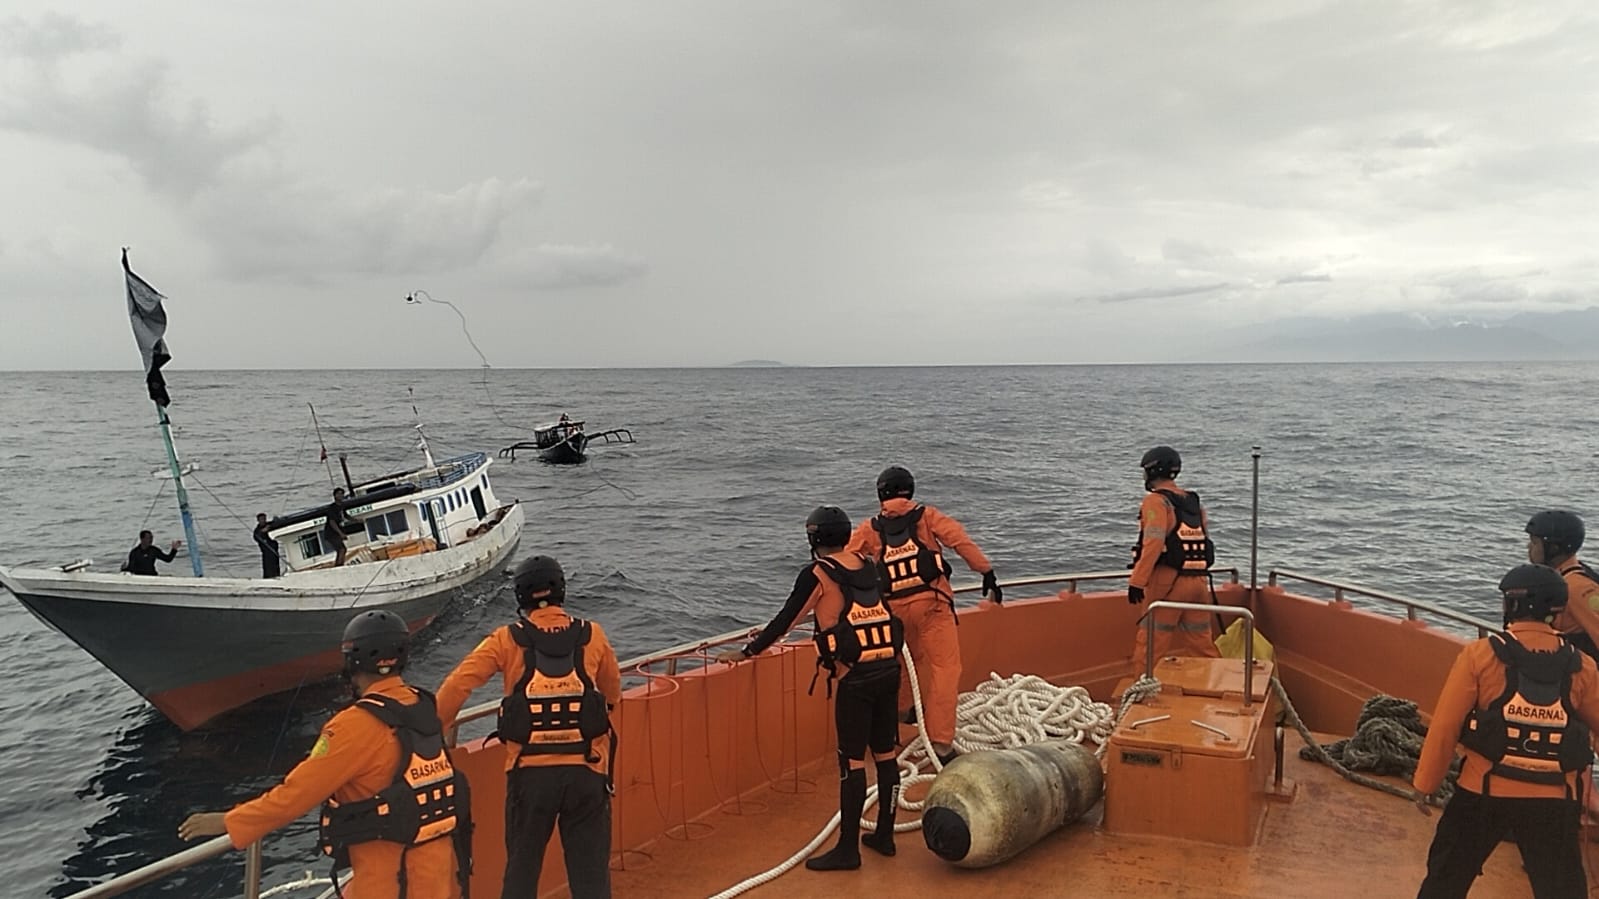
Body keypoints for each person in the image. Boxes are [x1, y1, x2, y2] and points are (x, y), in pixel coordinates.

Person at [178, 610, 469, 899]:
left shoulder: (353, 725)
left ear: (352, 660)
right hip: (437, 875)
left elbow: (296, 794)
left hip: (388, 883)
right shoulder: (424, 705)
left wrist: (231, 821)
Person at [716, 506, 905, 871]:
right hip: (888, 670)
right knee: (884, 754)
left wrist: (747, 651)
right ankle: (885, 836)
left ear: (814, 538)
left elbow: (786, 621)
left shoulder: (817, 573)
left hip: (855, 679)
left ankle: (848, 850)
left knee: (851, 762)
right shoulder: (870, 565)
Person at [436, 555, 621, 899]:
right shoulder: (592, 635)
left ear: (520, 595)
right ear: (561, 590)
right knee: (591, 877)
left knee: (521, 872)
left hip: (529, 777)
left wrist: (432, 732)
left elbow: (457, 685)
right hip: (587, 772)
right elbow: (611, 692)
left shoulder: (506, 639)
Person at [1413, 564, 1599, 899]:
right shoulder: (1583, 665)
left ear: (1512, 605)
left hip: (1482, 792)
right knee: (1563, 889)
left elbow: (1445, 727)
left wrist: (1425, 784)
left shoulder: (1480, 655)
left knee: (1445, 879)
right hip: (1556, 800)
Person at [845, 465, 1000, 765]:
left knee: (901, 666)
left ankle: (900, 716)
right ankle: (941, 743)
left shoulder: (868, 529)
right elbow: (959, 540)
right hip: (933, 606)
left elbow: (847, 561)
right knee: (945, 669)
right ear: (910, 490)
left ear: (881, 494)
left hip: (894, 612)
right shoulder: (928, 517)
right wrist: (986, 572)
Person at [1126, 446, 1221, 661]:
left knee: (1151, 643)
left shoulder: (1156, 502)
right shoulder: (1193, 502)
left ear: (1152, 471)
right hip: (1198, 582)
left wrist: (1137, 581)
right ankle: (1210, 689)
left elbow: (1154, 543)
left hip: (1167, 582)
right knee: (1201, 643)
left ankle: (1142, 691)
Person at [1527, 511, 1599, 661]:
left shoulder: (1576, 587)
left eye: (1535, 542)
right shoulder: (1561, 577)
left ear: (1553, 548)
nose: (1528, 547)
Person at [325, 488, 350, 567]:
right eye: (339, 494)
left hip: (336, 533)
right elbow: (332, 522)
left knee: (342, 549)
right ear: (335, 496)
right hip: (331, 533)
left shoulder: (342, 506)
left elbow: (346, 516)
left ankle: (339, 564)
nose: (341, 496)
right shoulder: (332, 508)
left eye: (342, 494)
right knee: (341, 549)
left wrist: (357, 520)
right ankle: (339, 566)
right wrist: (341, 533)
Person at [254, 512, 282, 578]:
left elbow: (275, 524)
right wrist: (263, 531)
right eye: (261, 519)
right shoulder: (257, 531)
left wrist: (276, 520)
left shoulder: (269, 525)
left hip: (274, 551)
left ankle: (277, 577)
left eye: (264, 519)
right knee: (268, 569)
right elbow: (257, 536)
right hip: (266, 553)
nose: (263, 521)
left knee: (276, 567)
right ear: (258, 520)